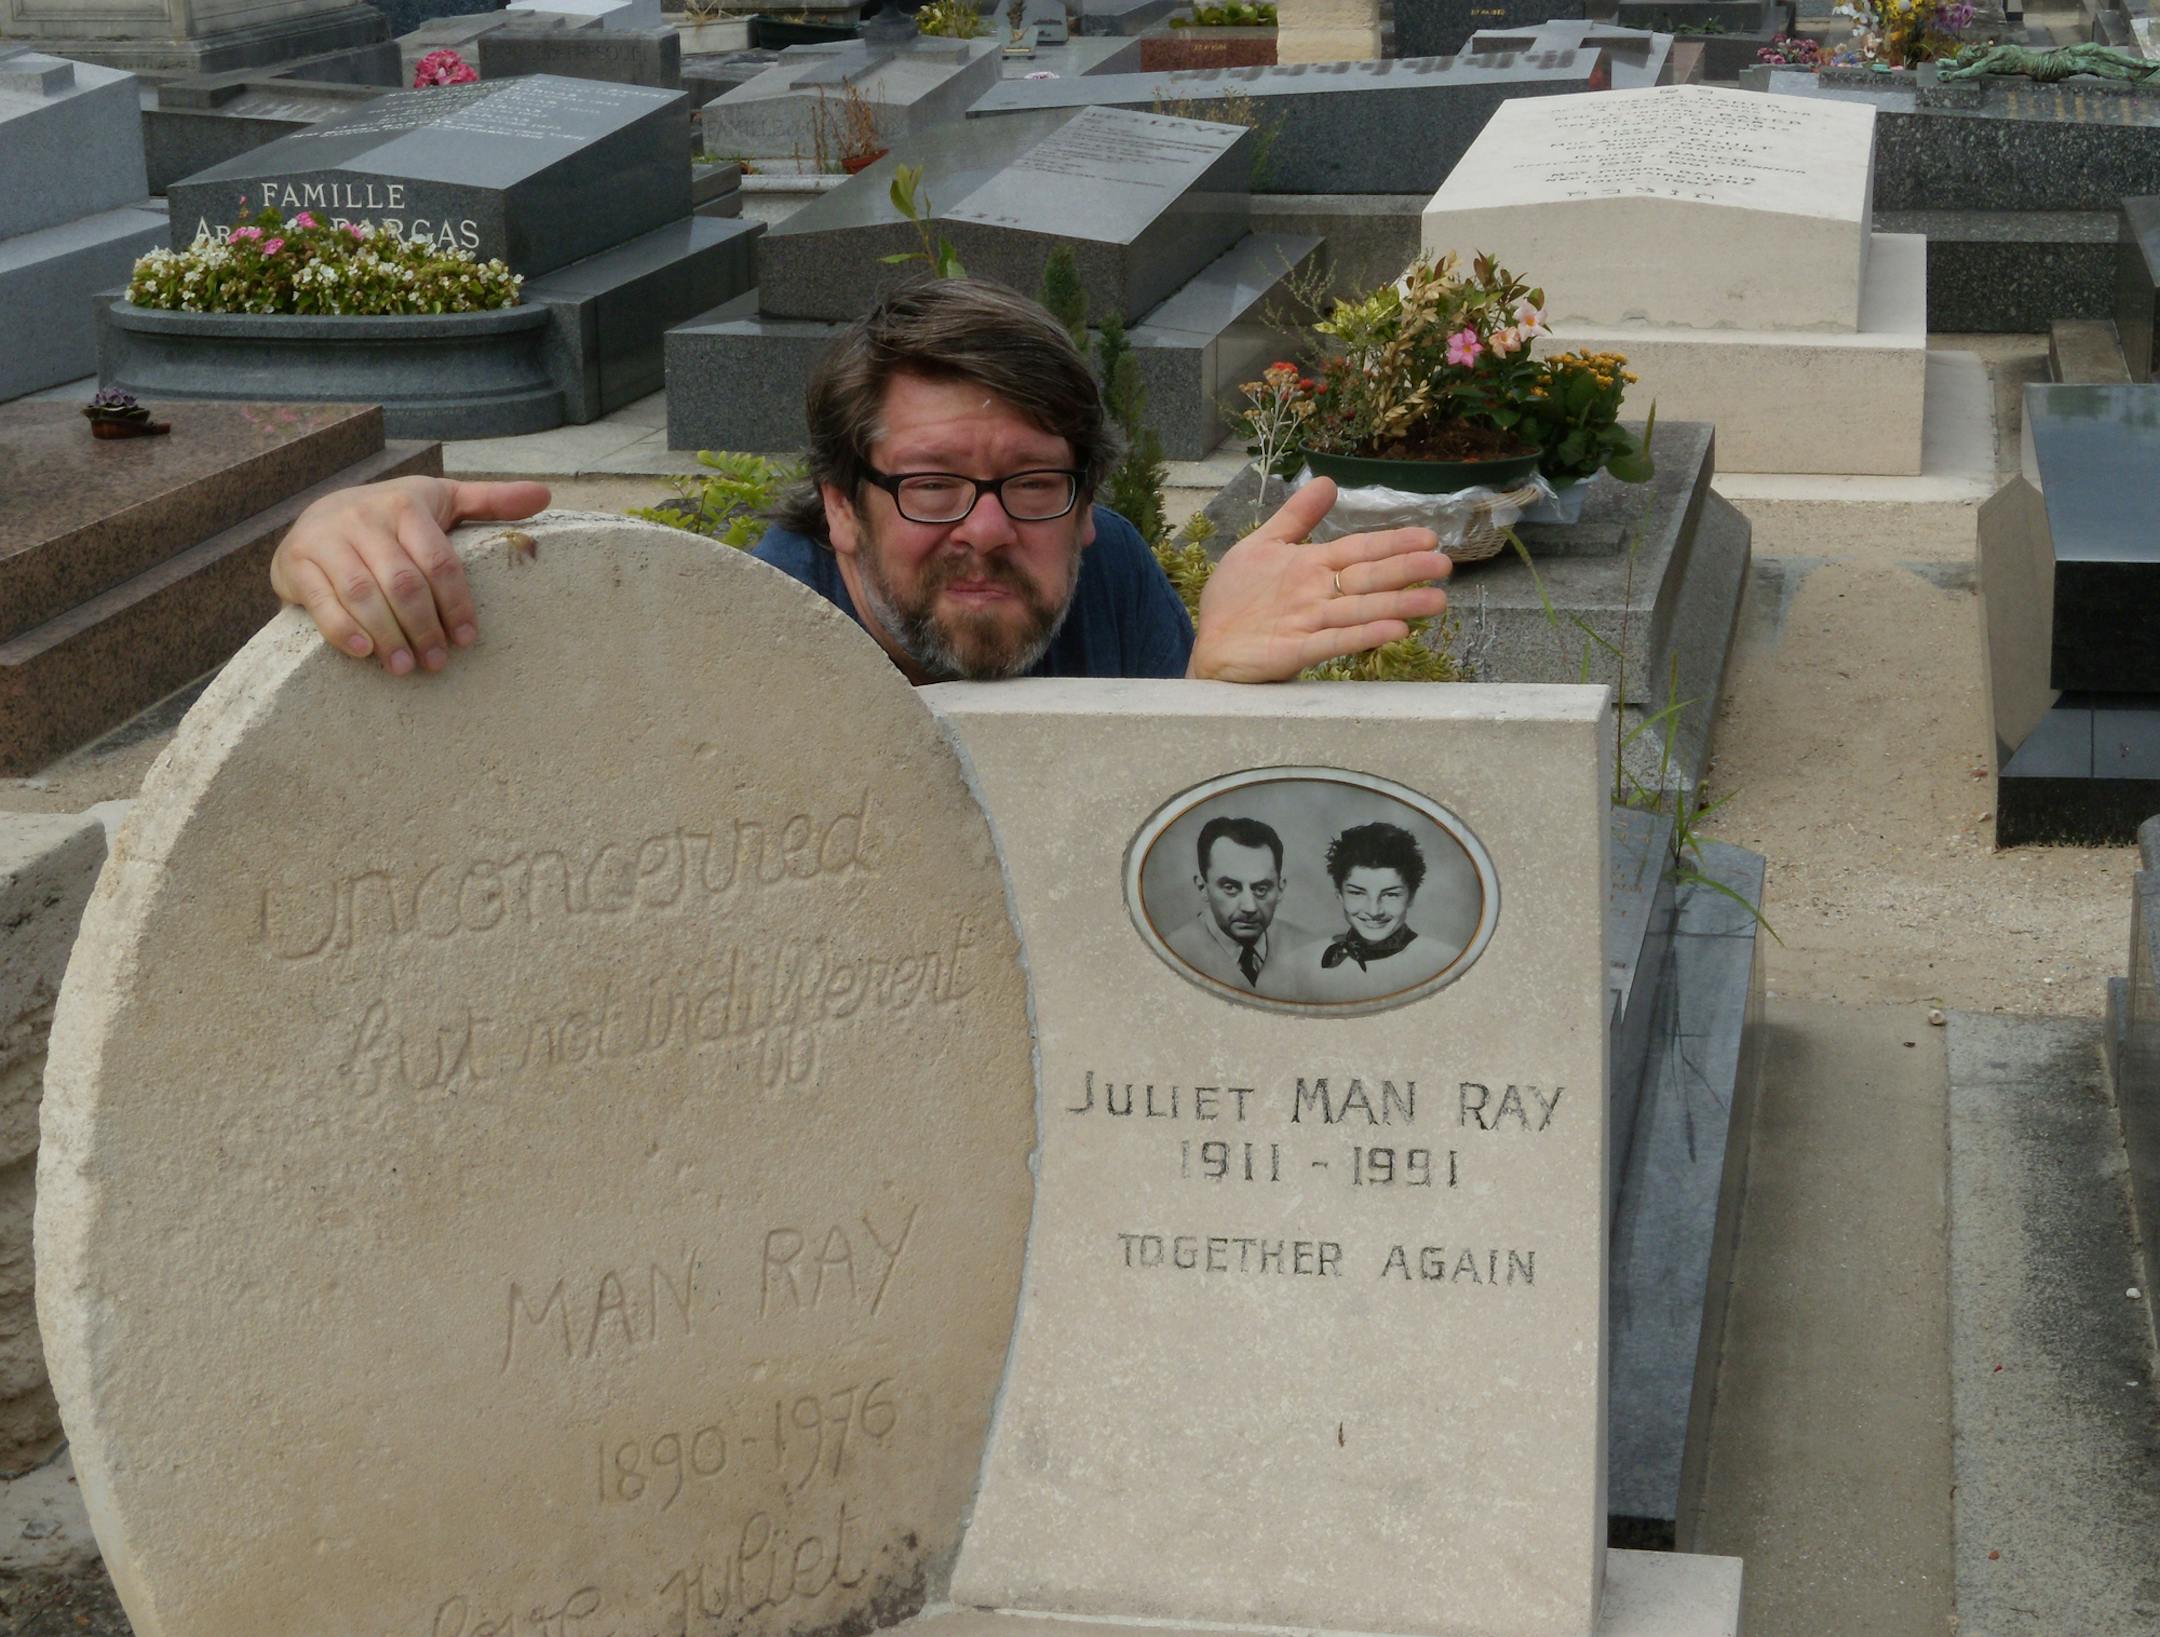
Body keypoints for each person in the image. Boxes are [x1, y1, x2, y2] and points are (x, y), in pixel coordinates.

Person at [266, 279, 1451, 684]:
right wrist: (332, 537)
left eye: (1036, 484)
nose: (986, 531)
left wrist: (1208, 689)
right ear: (839, 500)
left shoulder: (1115, 577)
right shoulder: (740, 634)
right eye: (930, 484)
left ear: (1088, 507)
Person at [1284, 822, 1461, 1004]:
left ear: (1411, 897)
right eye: (1357, 893)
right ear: (1340, 895)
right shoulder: (1301, 963)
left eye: (1391, 894)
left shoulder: (1446, 961)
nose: (1374, 911)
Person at [1162, 816, 1312, 997]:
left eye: (1261, 889)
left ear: (1280, 889)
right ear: (1202, 887)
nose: (1249, 907)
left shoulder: (1310, 951)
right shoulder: (1170, 954)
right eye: (1230, 888)